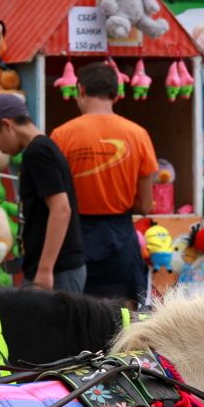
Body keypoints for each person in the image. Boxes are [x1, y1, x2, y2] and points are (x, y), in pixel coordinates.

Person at [50, 62, 157, 302]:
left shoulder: (62, 135)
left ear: (81, 90)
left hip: (76, 237)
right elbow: (146, 205)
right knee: (124, 316)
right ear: (116, 93)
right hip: (120, 237)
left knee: (78, 313)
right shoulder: (138, 135)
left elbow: (54, 197)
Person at [0, 94, 85, 292]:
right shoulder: (42, 148)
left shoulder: (37, 152)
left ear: (7, 124)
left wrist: (45, 270)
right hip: (57, 269)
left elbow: (61, 209)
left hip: (57, 271)